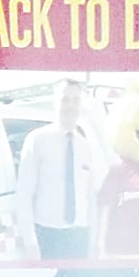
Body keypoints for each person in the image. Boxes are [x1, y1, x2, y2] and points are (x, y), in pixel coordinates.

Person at [14, 78, 103, 260]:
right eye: (65, 99)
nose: (70, 106)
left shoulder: (85, 146)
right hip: (47, 236)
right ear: (55, 103)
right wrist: (31, 244)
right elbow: (24, 194)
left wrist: (94, 243)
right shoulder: (37, 140)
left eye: (75, 100)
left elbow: (91, 199)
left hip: (79, 236)